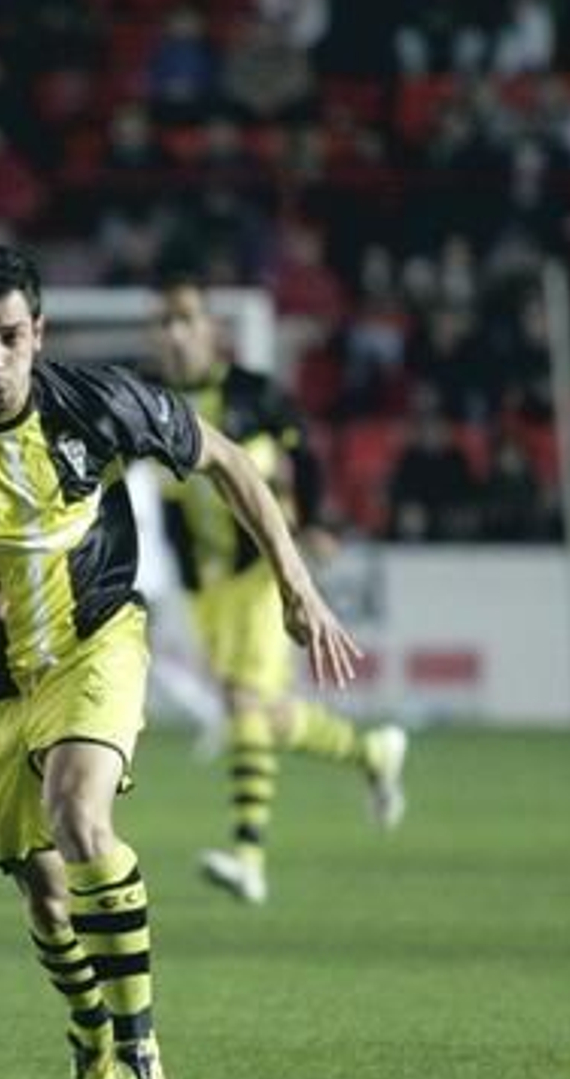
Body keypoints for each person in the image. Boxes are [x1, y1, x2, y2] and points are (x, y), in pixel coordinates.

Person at [0, 245, 362, 1079]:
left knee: (81, 816)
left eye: (7, 339)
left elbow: (225, 458)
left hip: (92, 641)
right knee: (43, 893)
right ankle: (89, 1029)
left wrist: (297, 584)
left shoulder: (98, 402)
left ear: (38, 334)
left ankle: (142, 1051)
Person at [152, 277, 407, 908]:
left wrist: (314, 520)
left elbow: (306, 455)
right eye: (164, 322)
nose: (174, 334)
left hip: (261, 571)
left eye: (185, 320)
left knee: (244, 705)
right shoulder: (151, 403)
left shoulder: (253, 395)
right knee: (263, 715)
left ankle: (247, 855)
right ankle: (372, 751)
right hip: (203, 585)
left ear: (211, 330)